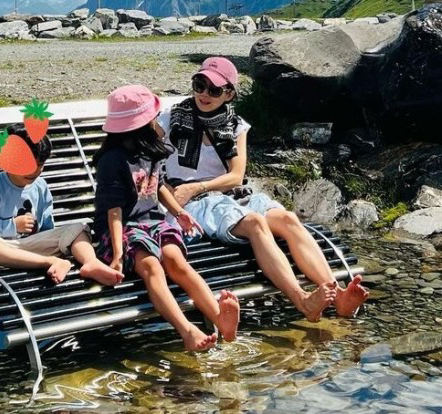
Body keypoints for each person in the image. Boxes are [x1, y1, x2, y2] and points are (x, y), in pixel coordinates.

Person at [156, 57, 369, 322]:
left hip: (227, 195)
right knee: (255, 223)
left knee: (288, 219)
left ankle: (337, 297)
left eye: (214, 90)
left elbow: (236, 177)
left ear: (229, 94)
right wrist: (179, 193)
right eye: (200, 85)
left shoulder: (236, 126)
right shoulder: (169, 118)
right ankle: (302, 301)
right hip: (192, 204)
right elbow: (147, 163)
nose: (204, 94)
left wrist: (199, 185)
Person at [93, 84, 240, 351]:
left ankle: (221, 319)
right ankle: (187, 331)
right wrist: (116, 255)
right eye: (151, 118)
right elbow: (113, 212)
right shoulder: (113, 160)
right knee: (152, 267)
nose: (155, 122)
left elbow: (159, 186)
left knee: (177, 262)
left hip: (152, 223)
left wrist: (179, 213)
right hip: (122, 230)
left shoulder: (151, 150)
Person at [0, 125, 124, 286]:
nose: (33, 171)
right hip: (1, 251)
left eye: (39, 165)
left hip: (31, 247)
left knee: (78, 229)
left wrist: (52, 240)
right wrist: (12, 225)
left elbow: (47, 228)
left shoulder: (40, 186)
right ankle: (50, 262)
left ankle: (90, 262)